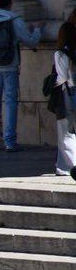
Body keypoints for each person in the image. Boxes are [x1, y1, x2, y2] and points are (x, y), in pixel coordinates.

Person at [0, 0, 42, 153]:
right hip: (9, 65)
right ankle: (9, 141)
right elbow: (30, 42)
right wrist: (37, 29)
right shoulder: (15, 19)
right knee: (9, 102)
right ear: (10, 2)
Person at [54, 21, 76, 177]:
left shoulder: (61, 53)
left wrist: (52, 83)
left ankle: (70, 166)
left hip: (68, 93)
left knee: (66, 131)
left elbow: (62, 78)